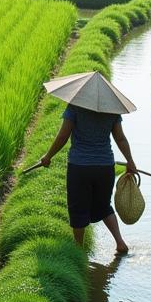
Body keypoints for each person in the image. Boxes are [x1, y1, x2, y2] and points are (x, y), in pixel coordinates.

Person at [39, 104, 137, 254]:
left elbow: (63, 135)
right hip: (105, 167)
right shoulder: (111, 107)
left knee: (78, 208)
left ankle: (79, 250)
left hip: (80, 167)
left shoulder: (75, 105)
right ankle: (120, 242)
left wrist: (48, 156)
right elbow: (120, 138)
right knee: (104, 206)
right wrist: (130, 161)